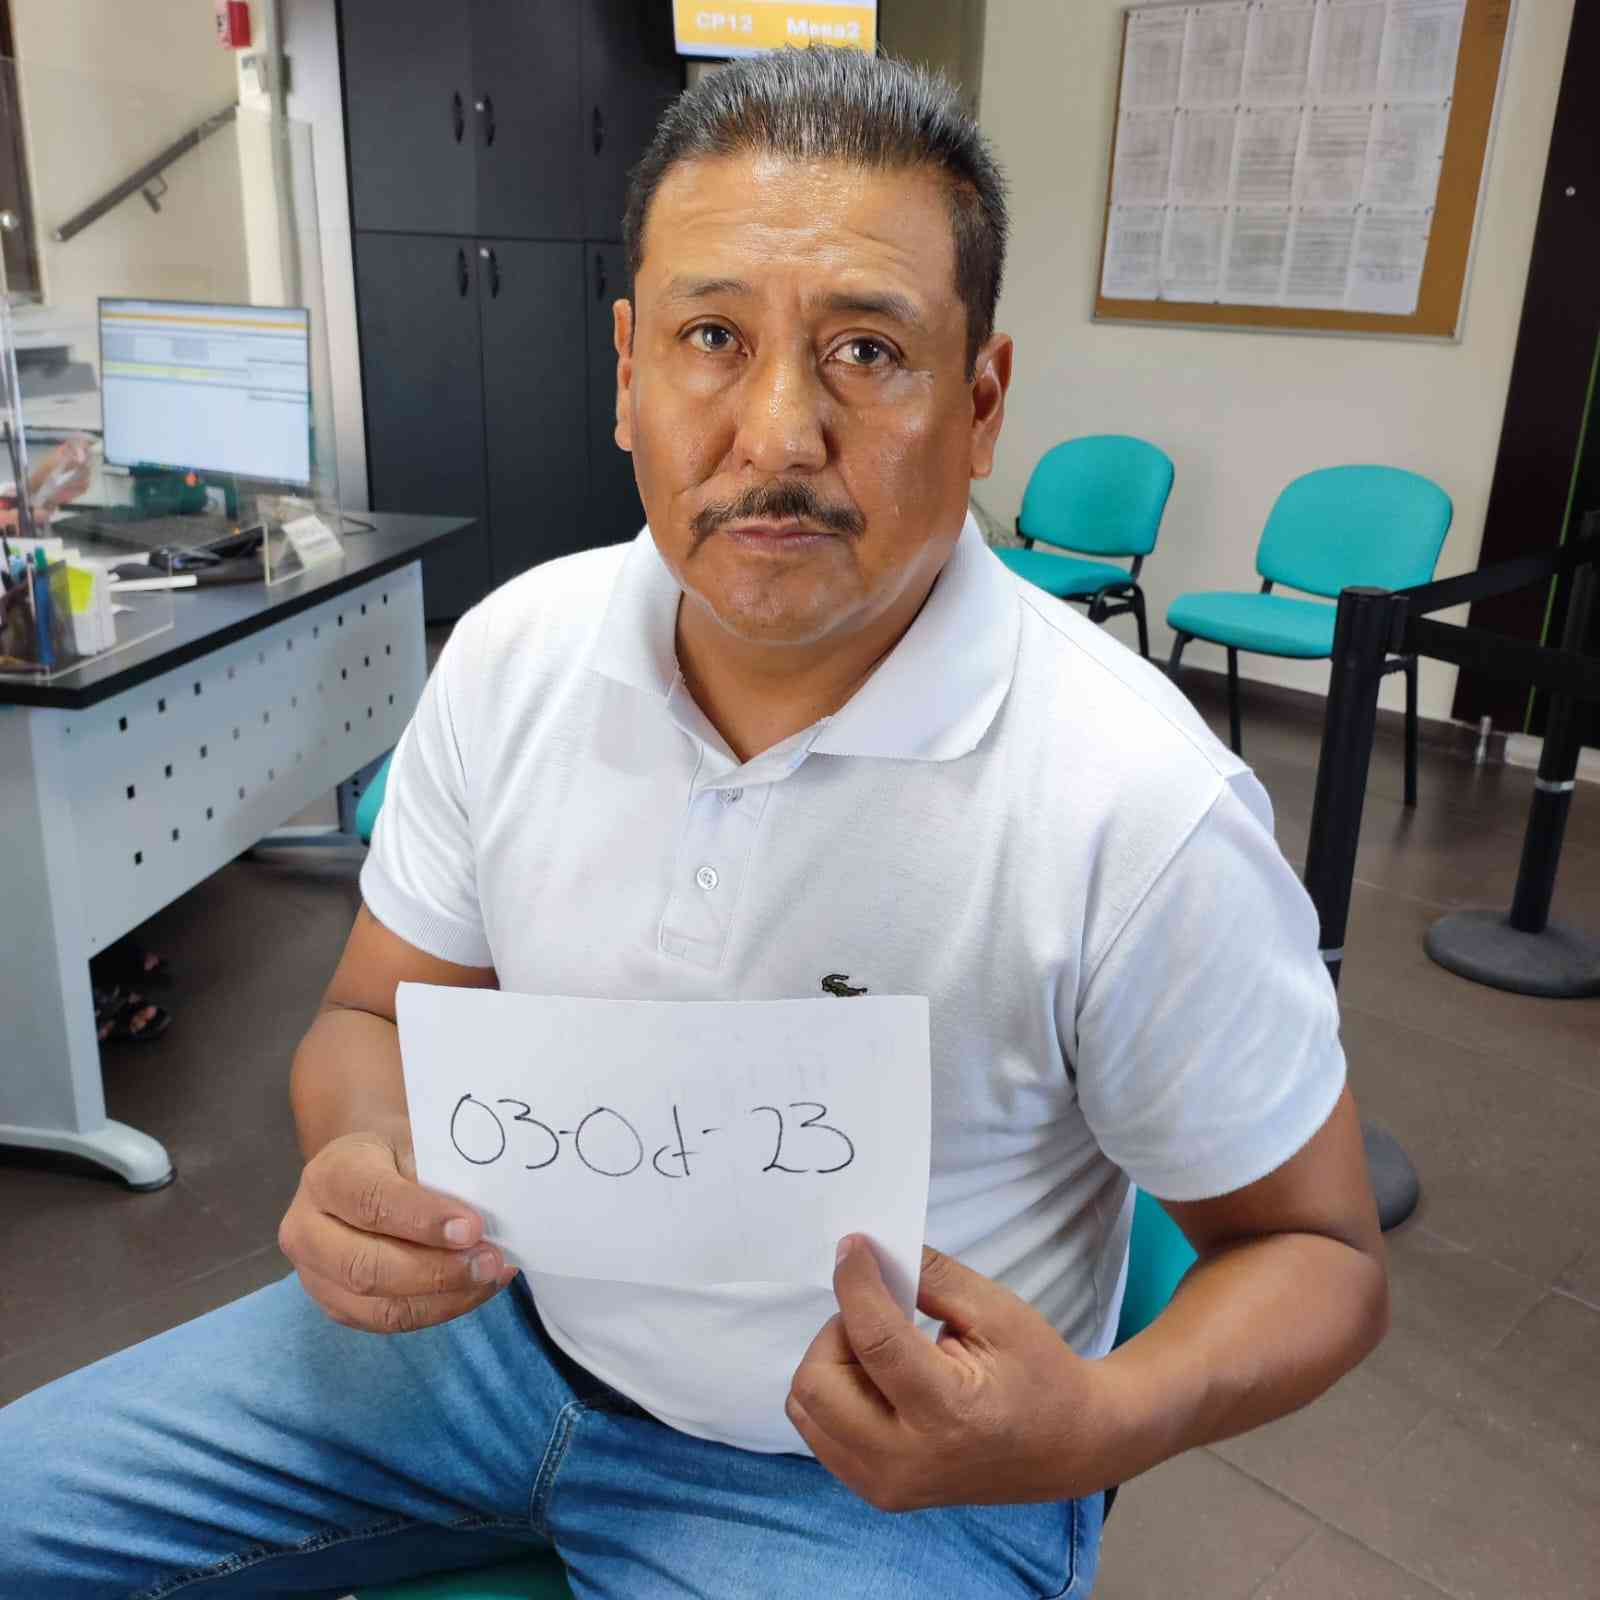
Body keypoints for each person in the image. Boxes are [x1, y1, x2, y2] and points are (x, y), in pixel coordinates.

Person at [0, 48, 1387, 1598]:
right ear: (627, 373)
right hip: (490, 1340)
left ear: (982, 402)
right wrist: (368, 1157)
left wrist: (1095, 1424)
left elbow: (1319, 1256)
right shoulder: (513, 656)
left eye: (867, 351)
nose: (778, 433)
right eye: (712, 337)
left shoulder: (1138, 802)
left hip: (872, 1475)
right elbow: (370, 1014)